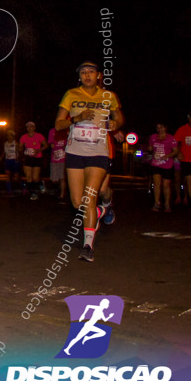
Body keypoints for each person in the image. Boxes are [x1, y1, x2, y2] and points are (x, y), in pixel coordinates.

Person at [54, 61, 124, 262]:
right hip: (75, 152)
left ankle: (87, 246)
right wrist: (76, 119)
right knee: (78, 203)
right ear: (79, 77)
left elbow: (119, 119)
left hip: (98, 152)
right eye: (83, 72)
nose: (87, 75)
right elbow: (58, 123)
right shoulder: (71, 94)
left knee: (89, 198)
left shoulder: (108, 96)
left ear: (98, 75)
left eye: (91, 72)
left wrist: (115, 123)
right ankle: (103, 210)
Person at [173, 110, 191, 213]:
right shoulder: (182, 129)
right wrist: (178, 152)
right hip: (187, 160)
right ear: (188, 119)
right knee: (190, 182)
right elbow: (174, 143)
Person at [148, 123, 177, 212]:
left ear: (165, 128)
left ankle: (167, 204)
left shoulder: (171, 138)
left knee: (166, 184)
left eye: (161, 127)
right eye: (157, 128)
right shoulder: (153, 137)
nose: (159, 129)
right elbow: (150, 148)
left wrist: (167, 155)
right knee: (156, 183)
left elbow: (175, 151)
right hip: (156, 163)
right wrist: (150, 149)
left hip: (167, 164)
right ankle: (157, 203)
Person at [19, 122, 49, 200]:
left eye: (31, 126)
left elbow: (46, 145)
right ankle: (33, 193)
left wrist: (39, 150)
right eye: (28, 127)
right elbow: (20, 147)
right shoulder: (24, 137)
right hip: (27, 158)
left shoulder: (39, 136)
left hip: (37, 158)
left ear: (34, 128)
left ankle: (40, 183)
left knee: (35, 178)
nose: (29, 128)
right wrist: (20, 149)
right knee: (29, 178)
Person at [47, 126, 69, 203]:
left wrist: (66, 146)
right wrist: (51, 145)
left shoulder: (67, 130)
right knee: (54, 179)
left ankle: (62, 195)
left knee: (62, 177)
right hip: (54, 157)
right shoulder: (52, 131)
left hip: (63, 157)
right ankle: (58, 189)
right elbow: (49, 142)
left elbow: (70, 143)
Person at [2, 129, 20, 195]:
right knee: (8, 175)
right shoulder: (5, 143)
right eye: (8, 135)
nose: (9, 137)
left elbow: (19, 150)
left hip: (14, 160)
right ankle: (9, 190)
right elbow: (4, 151)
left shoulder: (15, 143)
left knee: (16, 177)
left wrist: (18, 157)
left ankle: (22, 185)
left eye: (11, 135)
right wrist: (1, 157)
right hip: (8, 160)